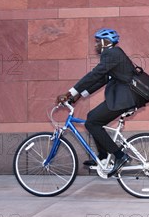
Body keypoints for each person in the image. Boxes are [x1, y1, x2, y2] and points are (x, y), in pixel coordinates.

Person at [56, 28, 142, 177]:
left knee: (92, 123)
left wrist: (70, 92)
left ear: (106, 42)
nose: (95, 45)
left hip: (124, 98)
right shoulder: (114, 55)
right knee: (92, 118)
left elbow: (95, 74)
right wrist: (79, 95)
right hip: (126, 97)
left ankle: (120, 156)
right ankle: (102, 157)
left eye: (97, 42)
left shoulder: (112, 53)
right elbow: (102, 79)